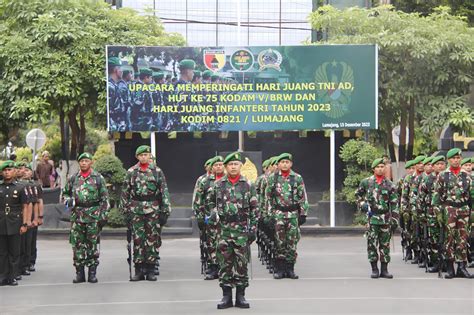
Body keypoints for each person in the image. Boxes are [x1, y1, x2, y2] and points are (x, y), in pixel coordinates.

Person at [207, 152, 257, 309]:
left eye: (236, 164)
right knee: (225, 263)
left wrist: (253, 229)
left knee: (241, 262)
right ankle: (226, 296)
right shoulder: (218, 184)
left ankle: (241, 296)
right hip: (224, 230)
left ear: (240, 166)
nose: (233, 167)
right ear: (226, 167)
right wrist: (213, 213)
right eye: (230, 165)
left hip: (242, 229)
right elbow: (209, 203)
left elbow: (255, 208)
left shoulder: (248, 185)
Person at [120, 145, 171, 281]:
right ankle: (139, 269)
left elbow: (164, 191)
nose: (144, 157)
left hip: (153, 209)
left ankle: (150, 269)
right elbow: (125, 193)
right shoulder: (131, 172)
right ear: (137, 157)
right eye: (141, 155)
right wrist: (125, 212)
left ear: (149, 156)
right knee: (138, 239)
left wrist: (165, 209)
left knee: (152, 239)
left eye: (146, 155)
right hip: (136, 209)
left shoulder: (157, 171)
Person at [62, 152, 110, 284]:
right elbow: (65, 193)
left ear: (91, 162)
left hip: (93, 216)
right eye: (81, 161)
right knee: (77, 245)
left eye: (86, 161)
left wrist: (103, 216)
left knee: (92, 245)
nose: (84, 163)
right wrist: (68, 200)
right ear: (79, 163)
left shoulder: (98, 178)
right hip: (77, 215)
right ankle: (79, 273)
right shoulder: (73, 178)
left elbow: (105, 199)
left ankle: (92, 273)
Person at [265, 153, 309, 280]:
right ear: (278, 164)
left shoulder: (297, 178)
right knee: (279, 242)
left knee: (292, 242)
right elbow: (268, 198)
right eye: (282, 162)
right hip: (278, 214)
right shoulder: (273, 178)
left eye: (287, 162)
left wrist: (303, 213)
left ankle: (290, 269)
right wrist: (269, 215)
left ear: (291, 164)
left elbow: (303, 196)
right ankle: (280, 269)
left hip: (293, 214)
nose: (285, 164)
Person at [432, 148, 473, 278]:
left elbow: (472, 195)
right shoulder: (442, 176)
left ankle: (461, 267)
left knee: (463, 238)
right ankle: (450, 267)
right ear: (449, 160)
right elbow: (436, 197)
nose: (456, 160)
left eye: (458, 158)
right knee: (449, 239)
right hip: (449, 210)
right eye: (453, 158)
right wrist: (438, 214)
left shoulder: (467, 176)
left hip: (464, 210)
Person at [356, 158, 399, 279]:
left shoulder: (390, 184)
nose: (381, 169)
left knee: (385, 244)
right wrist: (362, 204)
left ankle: (384, 270)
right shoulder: (366, 182)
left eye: (382, 166)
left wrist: (395, 219)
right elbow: (358, 195)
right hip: (372, 217)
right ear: (373, 169)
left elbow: (394, 203)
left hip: (385, 217)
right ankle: (374, 269)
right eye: (378, 167)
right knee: (372, 244)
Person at [0, 161, 30, 286]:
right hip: (1, 221)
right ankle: (3, 275)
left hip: (15, 222)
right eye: (5, 170)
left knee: (14, 251)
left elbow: (25, 207)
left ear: (14, 172)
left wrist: (25, 224)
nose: (7, 172)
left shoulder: (20, 187)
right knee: (2, 252)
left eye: (9, 170)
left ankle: (12, 275)